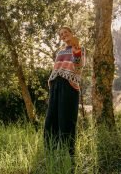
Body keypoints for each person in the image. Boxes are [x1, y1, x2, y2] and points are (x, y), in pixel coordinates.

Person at [44, 26, 85, 157]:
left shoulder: (79, 48)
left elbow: (78, 67)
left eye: (66, 32)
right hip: (56, 86)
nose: (63, 35)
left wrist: (76, 51)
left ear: (72, 33)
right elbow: (55, 70)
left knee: (66, 119)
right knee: (51, 119)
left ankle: (68, 153)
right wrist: (52, 83)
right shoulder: (60, 53)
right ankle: (51, 150)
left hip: (69, 86)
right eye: (61, 34)